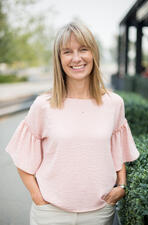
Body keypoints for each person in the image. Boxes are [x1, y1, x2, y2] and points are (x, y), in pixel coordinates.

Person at [5, 21, 140, 225]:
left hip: (99, 210)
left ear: (93, 53)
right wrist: (37, 197)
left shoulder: (114, 104)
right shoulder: (43, 105)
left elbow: (118, 152)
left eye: (83, 49)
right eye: (67, 51)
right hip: (50, 211)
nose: (76, 58)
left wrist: (121, 186)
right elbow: (22, 158)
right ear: (59, 59)